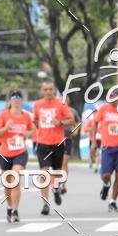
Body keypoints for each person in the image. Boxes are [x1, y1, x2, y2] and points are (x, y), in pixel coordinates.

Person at [32, 80, 74, 215]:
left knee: (56, 172)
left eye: (50, 89)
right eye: (46, 89)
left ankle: (56, 189)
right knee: (44, 172)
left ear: (54, 90)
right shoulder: (37, 105)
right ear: (42, 91)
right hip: (43, 143)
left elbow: (71, 120)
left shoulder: (61, 103)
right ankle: (45, 204)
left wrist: (60, 122)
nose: (48, 92)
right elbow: (36, 121)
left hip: (58, 143)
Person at [0, 91, 34, 223]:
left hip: (20, 152)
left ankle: (15, 211)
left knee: (15, 178)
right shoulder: (3, 115)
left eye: (18, 98)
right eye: (13, 98)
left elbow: (33, 130)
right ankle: (9, 206)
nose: (16, 100)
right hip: (5, 153)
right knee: (7, 184)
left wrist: (28, 132)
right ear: (10, 101)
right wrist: (6, 127)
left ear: (21, 101)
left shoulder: (26, 116)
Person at [93, 92, 118, 212]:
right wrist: (94, 142)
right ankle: (106, 185)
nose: (111, 99)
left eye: (114, 97)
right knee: (106, 175)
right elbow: (95, 122)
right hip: (107, 147)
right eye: (110, 97)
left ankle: (113, 201)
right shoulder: (104, 108)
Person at [60, 105, 80, 194]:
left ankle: (63, 184)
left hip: (67, 137)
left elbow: (78, 122)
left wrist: (76, 130)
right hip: (56, 138)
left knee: (64, 163)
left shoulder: (72, 111)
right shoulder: (55, 110)